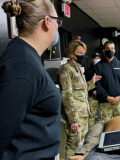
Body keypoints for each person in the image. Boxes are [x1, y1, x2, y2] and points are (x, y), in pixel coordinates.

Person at [0, 0, 62, 159]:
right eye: (57, 21)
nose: (58, 27)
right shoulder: (23, 64)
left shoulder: (27, 57)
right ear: (47, 22)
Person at [58, 40, 101, 158]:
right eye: (80, 53)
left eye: (84, 53)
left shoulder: (78, 68)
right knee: (73, 145)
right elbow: (67, 95)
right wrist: (73, 119)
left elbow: (81, 90)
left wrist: (91, 83)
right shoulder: (66, 69)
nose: (83, 56)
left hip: (83, 114)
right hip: (75, 115)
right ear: (72, 54)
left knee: (81, 145)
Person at [95, 41, 120, 121]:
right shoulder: (98, 66)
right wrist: (107, 97)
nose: (110, 50)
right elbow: (97, 84)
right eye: (107, 48)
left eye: (112, 48)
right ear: (103, 50)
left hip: (119, 102)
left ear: (115, 50)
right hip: (105, 104)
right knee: (106, 128)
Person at [84, 52, 101, 128]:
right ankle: (91, 133)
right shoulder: (88, 72)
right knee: (91, 117)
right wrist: (92, 91)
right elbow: (85, 85)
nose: (97, 60)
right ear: (92, 60)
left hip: (103, 97)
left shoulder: (103, 69)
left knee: (102, 117)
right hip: (92, 98)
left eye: (98, 58)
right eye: (95, 58)